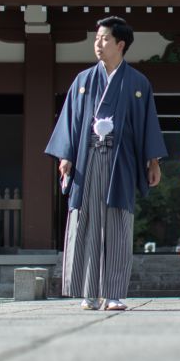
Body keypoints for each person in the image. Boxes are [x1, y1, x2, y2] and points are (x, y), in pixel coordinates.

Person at [45, 17, 166, 311]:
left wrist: (153, 161)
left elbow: (146, 123)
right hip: (86, 158)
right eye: (96, 39)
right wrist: (65, 157)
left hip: (120, 159)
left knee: (118, 224)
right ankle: (87, 292)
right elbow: (71, 121)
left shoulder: (138, 83)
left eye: (104, 39)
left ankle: (113, 293)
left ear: (120, 44)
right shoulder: (83, 81)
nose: (97, 44)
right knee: (86, 221)